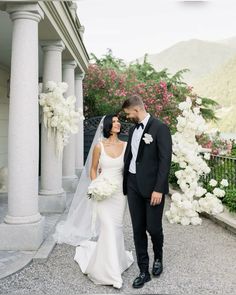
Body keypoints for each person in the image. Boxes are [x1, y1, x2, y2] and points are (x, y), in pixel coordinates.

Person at [53, 114, 133, 289]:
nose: (117, 124)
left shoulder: (126, 146)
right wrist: (97, 186)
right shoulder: (99, 147)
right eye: (113, 122)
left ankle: (117, 261)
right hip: (103, 193)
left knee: (116, 227)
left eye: (118, 121)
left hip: (120, 193)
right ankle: (111, 273)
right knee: (108, 228)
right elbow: (93, 170)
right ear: (107, 126)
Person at [122, 94, 172, 289]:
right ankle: (143, 270)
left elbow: (165, 160)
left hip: (152, 189)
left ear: (137, 110)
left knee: (153, 228)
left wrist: (159, 189)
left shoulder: (160, 128)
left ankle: (158, 257)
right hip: (133, 184)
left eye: (128, 114)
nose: (127, 117)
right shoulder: (133, 130)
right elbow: (131, 157)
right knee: (137, 229)